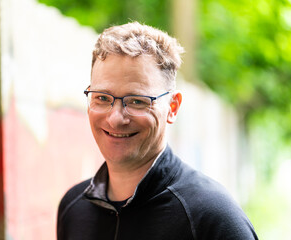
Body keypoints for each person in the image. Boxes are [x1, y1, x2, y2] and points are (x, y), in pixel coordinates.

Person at [57, 22, 258, 240]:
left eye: (136, 101)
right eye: (102, 98)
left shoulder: (213, 219)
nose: (115, 118)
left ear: (172, 107)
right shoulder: (73, 209)